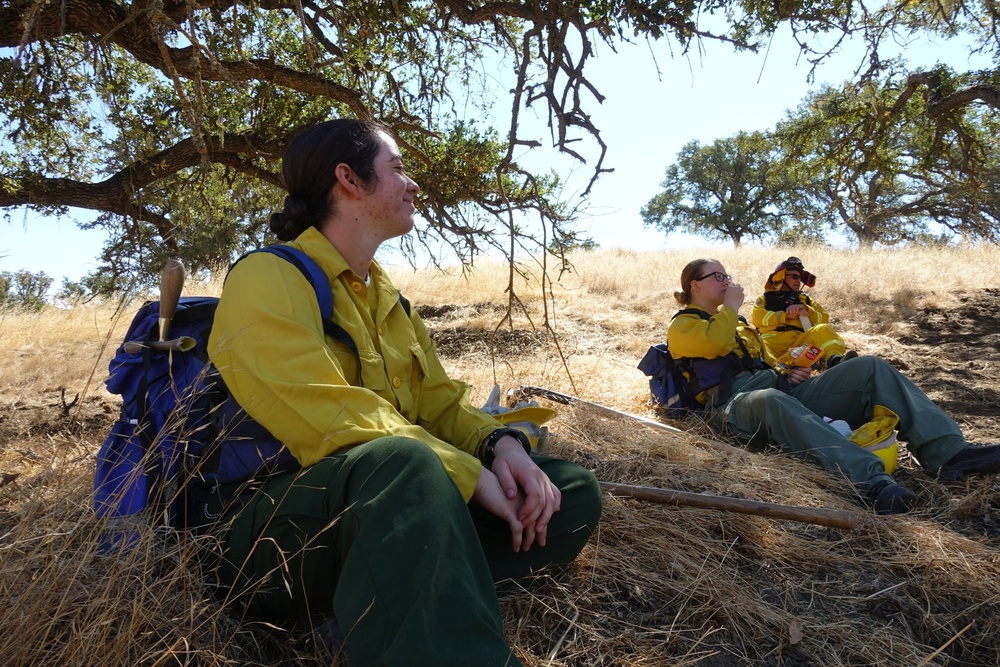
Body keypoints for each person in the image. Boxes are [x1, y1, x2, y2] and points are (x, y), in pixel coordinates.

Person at [196, 118, 602, 666]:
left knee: (567, 492)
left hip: (390, 505)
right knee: (402, 463)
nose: (413, 184)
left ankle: (380, 601)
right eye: (397, 169)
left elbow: (441, 402)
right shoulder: (266, 277)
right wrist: (467, 475)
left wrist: (501, 447)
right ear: (349, 179)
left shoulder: (388, 296)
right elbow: (330, 417)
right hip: (268, 537)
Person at [667, 257, 1000, 515]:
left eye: (727, 275)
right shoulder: (684, 325)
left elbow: (769, 364)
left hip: (779, 393)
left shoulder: (737, 324)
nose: (727, 281)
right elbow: (713, 345)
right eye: (718, 276)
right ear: (696, 285)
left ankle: (948, 453)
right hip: (732, 409)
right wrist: (734, 308)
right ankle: (871, 482)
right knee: (769, 398)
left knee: (869, 367)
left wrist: (789, 372)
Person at [751, 256, 856, 369]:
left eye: (800, 278)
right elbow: (757, 317)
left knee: (823, 329)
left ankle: (836, 362)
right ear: (781, 277)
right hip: (772, 342)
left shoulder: (806, 300)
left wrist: (808, 311)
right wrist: (784, 316)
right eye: (794, 277)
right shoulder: (764, 298)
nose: (798, 280)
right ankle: (776, 374)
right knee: (759, 348)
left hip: (801, 344)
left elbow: (824, 318)